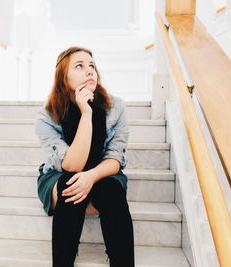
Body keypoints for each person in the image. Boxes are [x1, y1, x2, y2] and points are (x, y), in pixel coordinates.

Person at [35, 46, 135, 267]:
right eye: (79, 66)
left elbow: (115, 159)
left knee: (110, 190)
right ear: (63, 76)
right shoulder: (46, 117)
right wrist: (86, 113)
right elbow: (72, 164)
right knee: (69, 185)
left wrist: (90, 177)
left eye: (92, 66)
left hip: (102, 172)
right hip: (61, 174)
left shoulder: (115, 107)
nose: (89, 71)